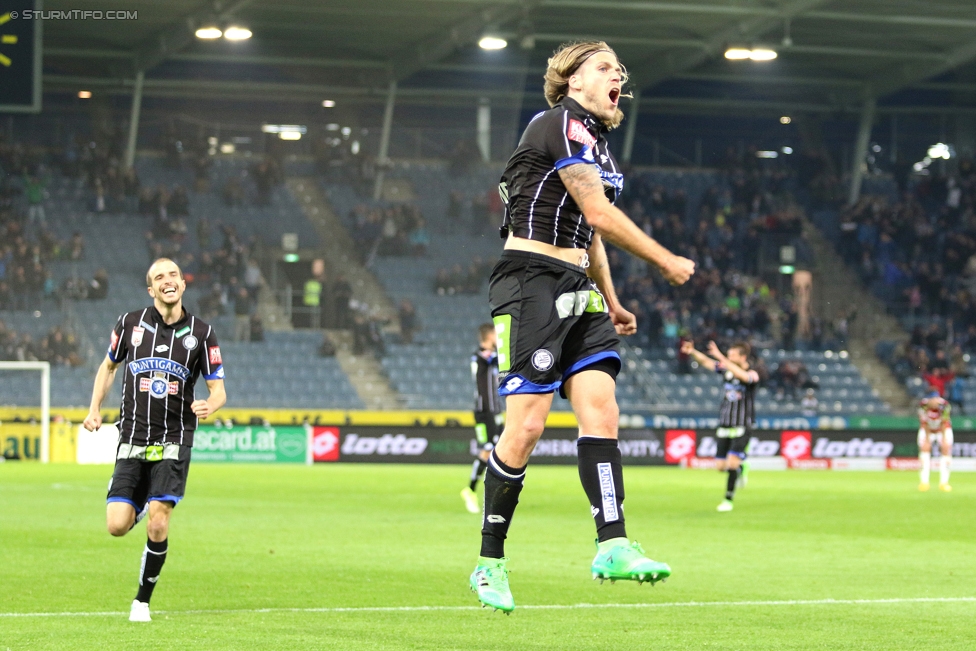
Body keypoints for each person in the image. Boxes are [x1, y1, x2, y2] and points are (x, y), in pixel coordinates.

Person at [469, 41, 695, 613]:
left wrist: (613, 301)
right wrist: (664, 260)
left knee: (602, 409)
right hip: (529, 282)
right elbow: (598, 214)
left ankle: (613, 545)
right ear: (572, 81)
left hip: (579, 287)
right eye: (603, 66)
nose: (617, 73)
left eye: (620, 68)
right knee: (526, 428)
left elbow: (587, 235)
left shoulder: (597, 146)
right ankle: (489, 561)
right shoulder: (557, 123)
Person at [82, 258, 227, 623]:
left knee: (159, 523)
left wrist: (210, 404)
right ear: (151, 289)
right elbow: (108, 366)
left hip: (174, 438)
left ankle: (141, 602)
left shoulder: (203, 333)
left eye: (173, 275)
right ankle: (144, 501)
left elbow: (219, 388)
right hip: (132, 435)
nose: (168, 280)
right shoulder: (130, 323)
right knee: (116, 525)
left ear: (182, 284)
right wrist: (94, 408)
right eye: (159, 277)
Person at [680, 340, 759, 512]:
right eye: (728, 355)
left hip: (743, 424)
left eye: (732, 356)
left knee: (731, 463)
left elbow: (745, 378)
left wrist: (722, 357)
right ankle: (742, 465)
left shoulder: (752, 373)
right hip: (725, 422)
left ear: (743, 357)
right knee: (721, 467)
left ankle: (728, 500)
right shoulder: (726, 370)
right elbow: (706, 362)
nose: (728, 359)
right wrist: (693, 351)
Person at [461, 324, 504, 514]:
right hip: (484, 412)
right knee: (487, 450)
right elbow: (494, 358)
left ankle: (493, 492)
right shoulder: (481, 356)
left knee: (497, 449)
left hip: (495, 411)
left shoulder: (491, 358)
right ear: (489, 336)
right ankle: (470, 490)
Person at [917, 391, 953, 492]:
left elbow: (944, 422)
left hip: (942, 429)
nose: (935, 403)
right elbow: (924, 422)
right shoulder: (922, 406)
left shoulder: (945, 406)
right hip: (928, 428)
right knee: (924, 451)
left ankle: (944, 482)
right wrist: (927, 439)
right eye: (932, 400)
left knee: (946, 451)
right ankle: (924, 482)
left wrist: (944, 439)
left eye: (936, 400)